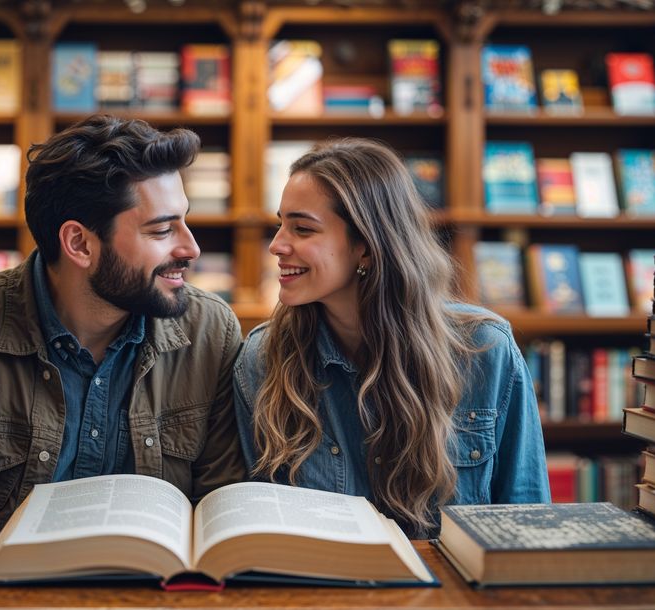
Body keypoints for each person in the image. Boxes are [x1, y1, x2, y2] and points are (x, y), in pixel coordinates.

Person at [0, 115, 245, 538]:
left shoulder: (211, 331)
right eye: (162, 230)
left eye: (185, 221)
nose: (191, 247)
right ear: (79, 243)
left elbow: (222, 507)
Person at [233, 138, 549, 538]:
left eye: (302, 228)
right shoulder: (262, 359)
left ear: (365, 247)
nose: (277, 244)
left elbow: (529, 521)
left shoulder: (485, 350)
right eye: (280, 224)